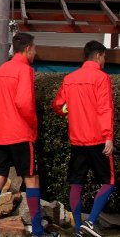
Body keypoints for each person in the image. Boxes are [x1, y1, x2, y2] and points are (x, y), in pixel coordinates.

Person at [0, 32, 55, 237]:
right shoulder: (25, 70)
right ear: (28, 49)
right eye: (35, 48)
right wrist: (33, 125)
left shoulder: (2, 69)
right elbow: (24, 103)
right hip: (21, 134)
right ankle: (38, 231)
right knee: (32, 180)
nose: (36, 52)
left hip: (0, 134)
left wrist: (5, 117)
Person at [52, 41, 114, 237]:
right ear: (97, 56)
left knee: (77, 183)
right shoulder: (101, 78)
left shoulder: (70, 78)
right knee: (109, 181)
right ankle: (92, 221)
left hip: (77, 139)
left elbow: (59, 105)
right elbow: (105, 109)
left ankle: (78, 227)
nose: (104, 61)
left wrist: (70, 111)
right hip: (97, 138)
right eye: (104, 57)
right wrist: (109, 136)